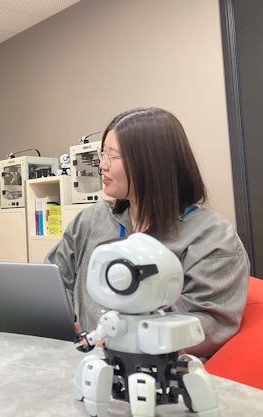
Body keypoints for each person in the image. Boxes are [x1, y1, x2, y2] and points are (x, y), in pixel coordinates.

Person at [48, 107, 249, 358]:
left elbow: (209, 325)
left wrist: (122, 339)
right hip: (78, 359)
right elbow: (54, 282)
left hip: (157, 370)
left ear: (150, 164)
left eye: (112, 156)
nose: (102, 165)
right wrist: (65, 323)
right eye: (102, 154)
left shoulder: (211, 237)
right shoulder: (90, 220)